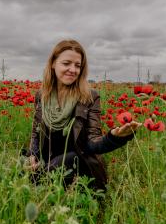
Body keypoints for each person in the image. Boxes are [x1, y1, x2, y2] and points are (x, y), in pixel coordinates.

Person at [26, 39, 141, 191]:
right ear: (53, 63)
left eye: (77, 65)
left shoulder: (89, 97)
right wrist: (32, 155)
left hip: (79, 161)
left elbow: (92, 143)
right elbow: (36, 131)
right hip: (49, 157)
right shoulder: (42, 95)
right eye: (66, 63)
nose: (72, 69)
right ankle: (42, 178)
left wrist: (115, 137)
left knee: (61, 163)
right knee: (22, 167)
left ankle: (48, 181)